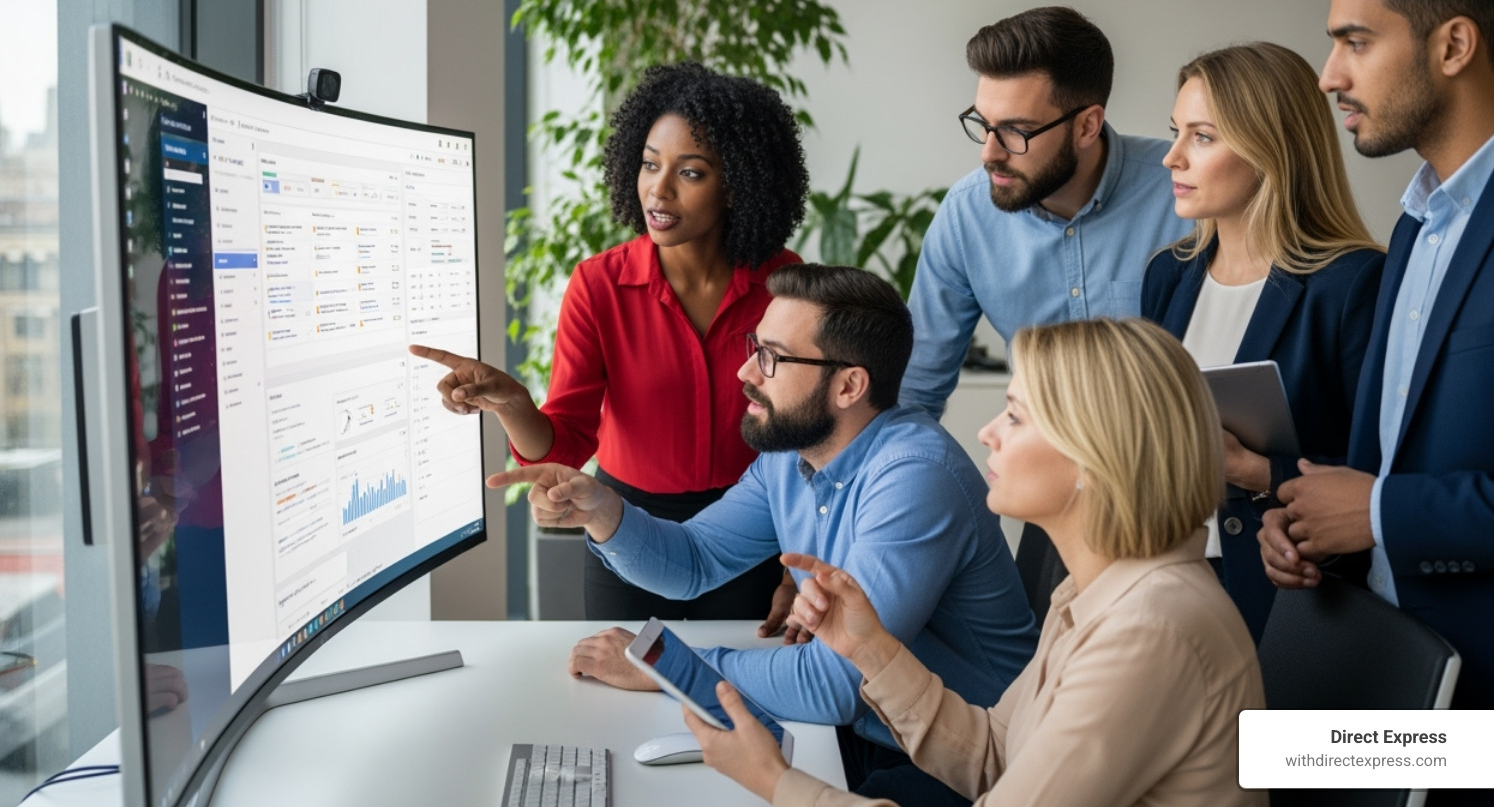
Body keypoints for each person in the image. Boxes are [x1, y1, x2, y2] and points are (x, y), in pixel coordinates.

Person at [498, 265, 1036, 807]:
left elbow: (834, 685)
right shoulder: (790, 457)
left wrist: (672, 669)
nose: (745, 372)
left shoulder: (915, 476)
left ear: (849, 385)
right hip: (869, 732)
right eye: (755, 346)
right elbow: (695, 561)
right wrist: (602, 511)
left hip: (967, 764)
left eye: (772, 357)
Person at [684, 318, 1265, 806]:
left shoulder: (1148, 630)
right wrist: (870, 648)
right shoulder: (1099, 595)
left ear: (1093, 456)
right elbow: (997, 755)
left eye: (1013, 415)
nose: (987, 433)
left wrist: (776, 782)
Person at [1259, 0, 1494, 805]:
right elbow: (1394, 453)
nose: (1330, 75)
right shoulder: (1417, 220)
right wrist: (1315, 527)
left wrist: (1379, 513)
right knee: (1246, 775)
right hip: (1374, 672)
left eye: (1355, 41)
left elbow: (1390, 497)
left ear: (1454, 44)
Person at [412, 61, 809, 624]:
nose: (659, 189)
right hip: (627, 527)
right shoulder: (599, 286)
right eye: (649, 165)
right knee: (617, 699)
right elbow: (565, 446)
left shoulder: (786, 285)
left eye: (690, 173)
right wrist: (514, 404)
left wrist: (802, 567)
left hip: (753, 532)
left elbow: (807, 440)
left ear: (739, 183)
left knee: (741, 700)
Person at [1141, 41, 1383, 640]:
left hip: (1288, 601)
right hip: (1160, 586)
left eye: (1201, 136)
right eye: (1176, 132)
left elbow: (1379, 481)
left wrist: (1255, 470)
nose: (1172, 157)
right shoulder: (1167, 275)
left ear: (1269, 148)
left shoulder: (1352, 283)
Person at [900, 6, 1186, 419]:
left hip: (1172, 464)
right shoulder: (965, 215)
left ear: (1087, 125)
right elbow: (916, 393)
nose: (989, 153)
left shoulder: (1183, 191)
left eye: (1016, 131)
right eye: (983, 123)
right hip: (1042, 465)